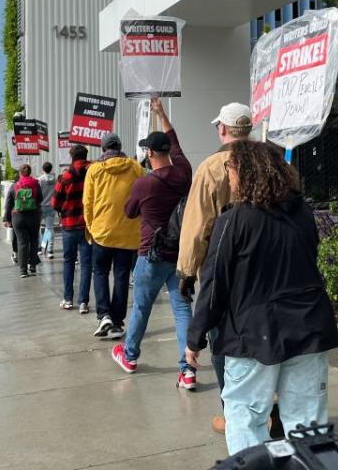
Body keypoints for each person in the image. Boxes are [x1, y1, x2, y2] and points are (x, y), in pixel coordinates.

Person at [186, 141, 338, 455]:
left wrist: (194, 338)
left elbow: (214, 286)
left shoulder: (233, 221)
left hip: (253, 333)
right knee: (307, 420)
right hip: (308, 326)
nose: (228, 177)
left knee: (245, 415)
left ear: (245, 173)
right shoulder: (302, 213)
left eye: (230, 170)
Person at [176, 101, 253, 433]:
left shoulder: (211, 167)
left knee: (222, 341)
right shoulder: (270, 162)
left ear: (222, 129)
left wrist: (187, 271)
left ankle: (234, 413)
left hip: (222, 267)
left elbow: (197, 225)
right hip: (264, 266)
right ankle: (265, 407)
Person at [111, 98, 195, 390]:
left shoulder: (144, 183)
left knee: (142, 308)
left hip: (152, 254)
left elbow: (129, 212)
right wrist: (161, 113)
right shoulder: (184, 172)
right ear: (168, 152)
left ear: (148, 153)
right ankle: (187, 371)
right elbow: (176, 141)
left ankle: (130, 355)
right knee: (182, 309)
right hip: (181, 253)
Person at [83, 132, 144, 339]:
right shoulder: (135, 167)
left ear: (103, 149)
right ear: (119, 146)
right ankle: (117, 322)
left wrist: (91, 227)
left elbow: (87, 203)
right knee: (121, 275)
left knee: (99, 272)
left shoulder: (94, 170)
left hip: (102, 231)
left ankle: (104, 315)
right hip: (129, 232)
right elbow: (144, 194)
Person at [52, 144, 93, 312]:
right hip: (88, 226)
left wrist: (63, 209)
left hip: (69, 225)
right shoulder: (94, 173)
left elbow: (55, 202)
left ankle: (68, 299)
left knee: (68, 262)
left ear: (71, 156)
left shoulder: (65, 176)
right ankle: (83, 301)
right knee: (86, 264)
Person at [2, 164, 42, 278]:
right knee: (34, 240)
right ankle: (32, 265)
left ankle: (23, 270)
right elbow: (40, 198)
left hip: (18, 217)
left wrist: (6, 218)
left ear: (20, 173)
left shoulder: (15, 185)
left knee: (22, 242)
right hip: (33, 216)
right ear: (30, 172)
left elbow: (9, 202)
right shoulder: (35, 184)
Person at [37, 162, 57, 258]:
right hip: (51, 206)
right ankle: (50, 250)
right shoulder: (55, 180)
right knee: (49, 228)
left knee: (37, 228)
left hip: (40, 206)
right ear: (51, 169)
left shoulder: (39, 180)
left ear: (43, 169)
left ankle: (40, 248)